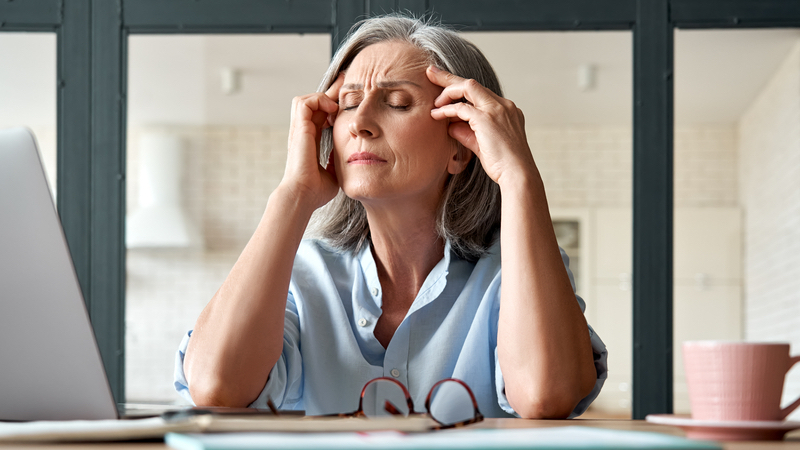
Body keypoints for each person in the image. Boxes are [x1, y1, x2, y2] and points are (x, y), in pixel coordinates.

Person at [174, 14, 607, 419]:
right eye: (347, 103)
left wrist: (519, 177)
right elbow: (216, 388)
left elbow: (548, 395)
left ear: (462, 146)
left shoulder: (513, 272)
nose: (360, 122)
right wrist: (293, 194)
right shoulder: (300, 275)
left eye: (397, 102)